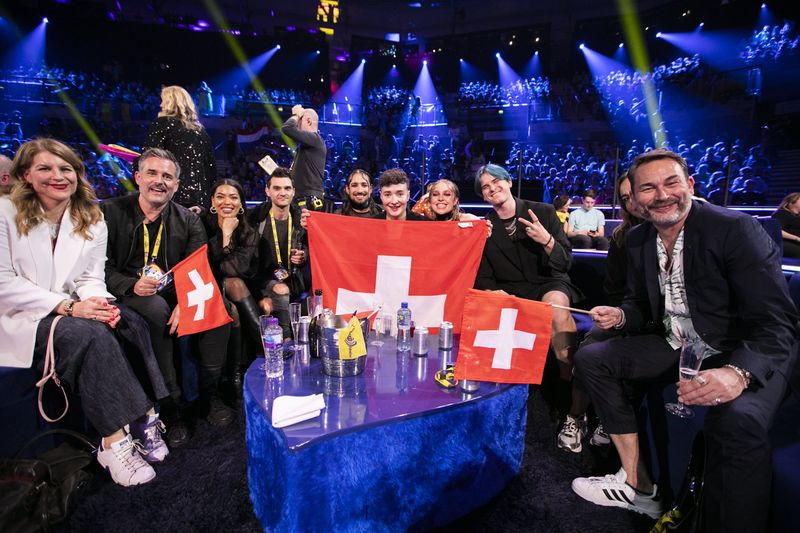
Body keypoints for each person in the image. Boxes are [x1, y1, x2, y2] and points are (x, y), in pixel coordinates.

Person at [572, 150, 798, 531]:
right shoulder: (639, 239)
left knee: (737, 420)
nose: (661, 195)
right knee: (593, 357)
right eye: (648, 188)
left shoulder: (735, 229)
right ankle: (639, 486)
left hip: (740, 350)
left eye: (671, 182)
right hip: (677, 344)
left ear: (690, 185)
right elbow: (643, 305)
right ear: (636, 198)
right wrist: (624, 315)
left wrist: (738, 372)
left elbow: (777, 322)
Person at [0, 139, 170, 486]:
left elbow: (90, 278)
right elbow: (3, 284)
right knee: (89, 334)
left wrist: (100, 304)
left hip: (71, 306)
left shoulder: (91, 220)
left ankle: (146, 417)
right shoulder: (4, 213)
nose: (57, 176)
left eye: (66, 169)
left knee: (129, 321)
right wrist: (70, 307)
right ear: (25, 175)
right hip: (18, 316)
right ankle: (114, 440)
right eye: (45, 169)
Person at [102, 148, 233, 446]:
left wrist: (188, 302)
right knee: (155, 308)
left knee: (220, 306)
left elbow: (199, 268)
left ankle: (209, 395)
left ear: (176, 185)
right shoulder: (109, 212)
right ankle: (171, 407)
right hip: (128, 294)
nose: (159, 181)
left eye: (167, 176)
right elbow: (99, 266)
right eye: (152, 173)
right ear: (137, 177)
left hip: (176, 292)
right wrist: (130, 285)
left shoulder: (188, 220)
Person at [558, 172, 642, 453]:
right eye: (626, 198)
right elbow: (615, 288)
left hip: (661, 322)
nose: (632, 203)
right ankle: (575, 416)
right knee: (590, 348)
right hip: (625, 312)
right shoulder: (621, 237)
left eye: (636, 194)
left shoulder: (674, 232)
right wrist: (619, 313)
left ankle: (610, 417)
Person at [473, 163, 580, 381]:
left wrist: (547, 241)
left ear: (509, 182)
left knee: (556, 306)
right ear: (483, 196)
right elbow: (483, 274)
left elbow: (566, 262)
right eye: (485, 187)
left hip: (548, 282)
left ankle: (568, 382)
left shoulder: (543, 211)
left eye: (496, 181)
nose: (492, 188)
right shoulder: (484, 226)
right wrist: (493, 292)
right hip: (510, 290)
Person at [202, 179, 260, 384]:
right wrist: (225, 234)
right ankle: (265, 347)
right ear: (212, 201)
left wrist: (228, 235)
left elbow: (235, 269)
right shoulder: (201, 225)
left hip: (238, 287)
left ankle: (237, 372)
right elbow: (212, 268)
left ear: (241, 204)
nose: (227, 202)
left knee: (234, 291)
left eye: (233, 197)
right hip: (205, 285)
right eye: (220, 196)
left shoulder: (249, 232)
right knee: (233, 289)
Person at [246, 167, 307, 339]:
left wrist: (304, 256)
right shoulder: (255, 219)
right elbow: (247, 261)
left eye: (287, 188)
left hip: (294, 280)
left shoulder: (301, 219)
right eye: (277, 188)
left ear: (293, 192)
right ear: (267, 190)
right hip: (263, 279)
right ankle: (287, 341)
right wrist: (259, 296)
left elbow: (312, 248)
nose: (282, 193)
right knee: (280, 290)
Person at [145, 85, 216, 213]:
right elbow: (211, 169)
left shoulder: (162, 123)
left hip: (173, 195)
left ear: (170, 103)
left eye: (163, 100)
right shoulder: (201, 131)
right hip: (201, 199)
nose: (160, 104)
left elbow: (149, 157)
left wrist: (134, 163)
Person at [281, 104, 326, 210]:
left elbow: (287, 128)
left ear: (309, 121)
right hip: (303, 198)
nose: (297, 124)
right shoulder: (308, 145)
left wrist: (296, 114)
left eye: (300, 120)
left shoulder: (315, 139)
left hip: (308, 200)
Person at [772, 192, 800, 258]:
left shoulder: (797, 216)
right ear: (791, 202)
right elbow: (777, 230)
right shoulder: (782, 213)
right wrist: (797, 238)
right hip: (788, 242)